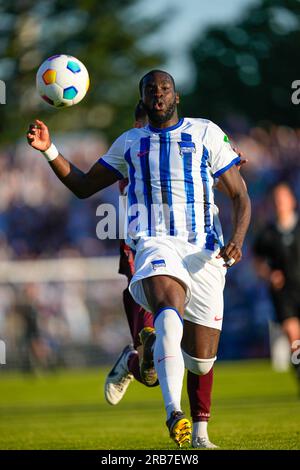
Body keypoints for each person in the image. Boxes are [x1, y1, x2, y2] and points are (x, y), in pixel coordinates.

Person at [26, 69, 251, 447]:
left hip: (205, 252)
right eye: (151, 90)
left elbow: (240, 195)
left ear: (177, 97)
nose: (158, 95)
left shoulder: (205, 134)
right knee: (168, 312)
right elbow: (83, 185)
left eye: (165, 89)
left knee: (199, 361)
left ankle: (196, 429)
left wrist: (238, 239)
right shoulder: (130, 142)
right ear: (143, 100)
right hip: (153, 242)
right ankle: (173, 414)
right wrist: (50, 149)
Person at [105, 101, 248, 449]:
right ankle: (140, 364)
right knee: (156, 364)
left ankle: (199, 429)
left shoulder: (189, 140)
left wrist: (224, 163)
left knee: (194, 354)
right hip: (144, 254)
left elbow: (205, 171)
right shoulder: (132, 151)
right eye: (142, 123)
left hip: (191, 250)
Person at [253, 182, 300, 388]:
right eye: (276, 200)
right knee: (294, 337)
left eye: (282, 198)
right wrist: (269, 274)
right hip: (284, 294)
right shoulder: (268, 234)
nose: (279, 203)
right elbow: (257, 261)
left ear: (292, 201)